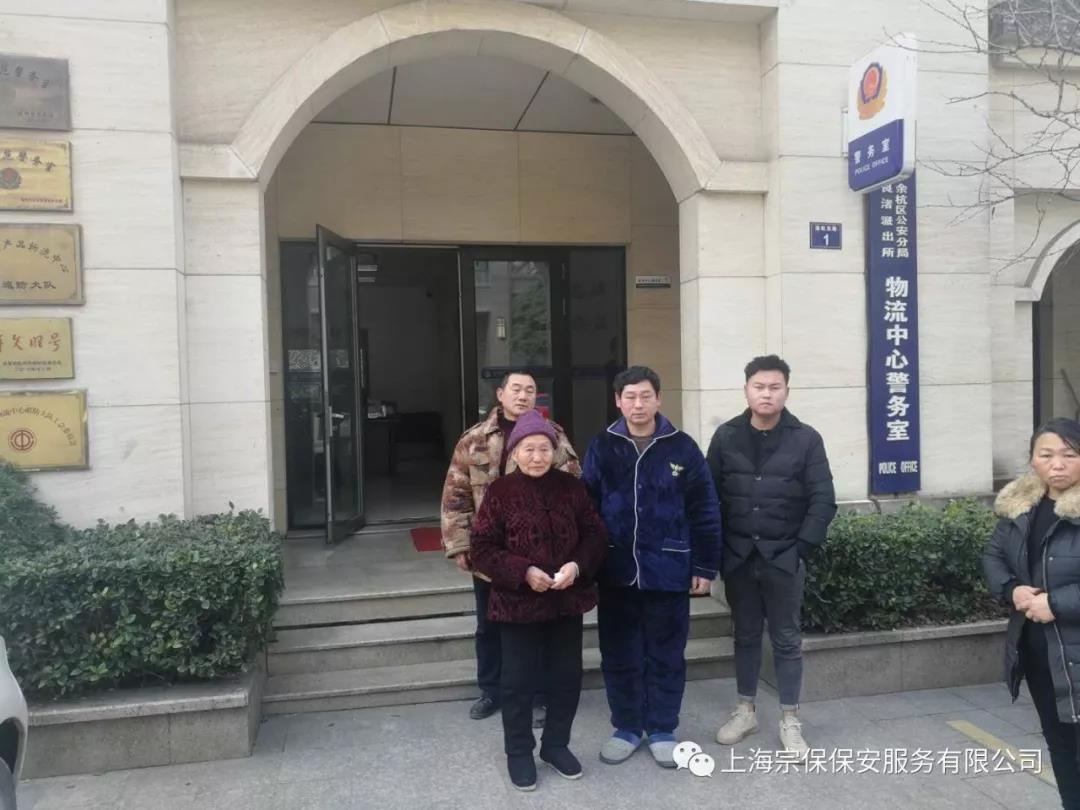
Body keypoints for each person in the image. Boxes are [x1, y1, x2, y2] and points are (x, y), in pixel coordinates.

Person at [582, 366, 722, 768]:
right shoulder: (602, 446)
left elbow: (705, 509)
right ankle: (626, 726)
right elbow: (586, 509)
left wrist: (705, 566)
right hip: (616, 571)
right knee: (619, 654)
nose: (638, 404)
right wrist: (588, 565)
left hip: (669, 569)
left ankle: (662, 728)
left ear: (658, 399)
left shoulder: (682, 447)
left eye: (645, 396)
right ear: (618, 401)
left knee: (667, 654)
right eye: (630, 397)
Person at [470, 410, 608, 791]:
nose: (537, 456)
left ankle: (556, 745)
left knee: (566, 678)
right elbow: (482, 547)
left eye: (544, 449)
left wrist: (576, 567)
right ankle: (519, 752)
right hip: (517, 606)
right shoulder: (500, 492)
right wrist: (524, 571)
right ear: (515, 453)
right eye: (528, 449)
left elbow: (596, 535)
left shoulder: (572, 488)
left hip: (565, 601)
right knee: (517, 682)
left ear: (555, 451)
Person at [706, 355, 836, 759]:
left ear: (786, 392)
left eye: (774, 387)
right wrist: (717, 552)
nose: (766, 394)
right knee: (744, 635)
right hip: (739, 557)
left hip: (784, 558)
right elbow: (708, 498)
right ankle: (745, 711)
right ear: (746, 390)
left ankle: (790, 719)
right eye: (759, 387)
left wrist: (800, 550)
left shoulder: (806, 439)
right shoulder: (726, 436)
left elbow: (823, 500)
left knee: (786, 639)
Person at [440, 372, 580, 722]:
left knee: (541, 624)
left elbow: (574, 488)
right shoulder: (474, 439)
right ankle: (492, 690)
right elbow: (456, 494)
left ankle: (539, 694)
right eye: (515, 389)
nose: (523, 396)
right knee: (489, 625)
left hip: (542, 552)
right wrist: (460, 544)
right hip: (490, 552)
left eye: (530, 390)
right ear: (500, 394)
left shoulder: (554, 436)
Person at [984, 417, 1080, 809]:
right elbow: (993, 556)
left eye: (1069, 455)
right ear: (1032, 460)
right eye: (1046, 455)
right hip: (1041, 652)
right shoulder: (1022, 507)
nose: (1057, 464)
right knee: (1060, 745)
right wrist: (1013, 590)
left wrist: (1054, 603)